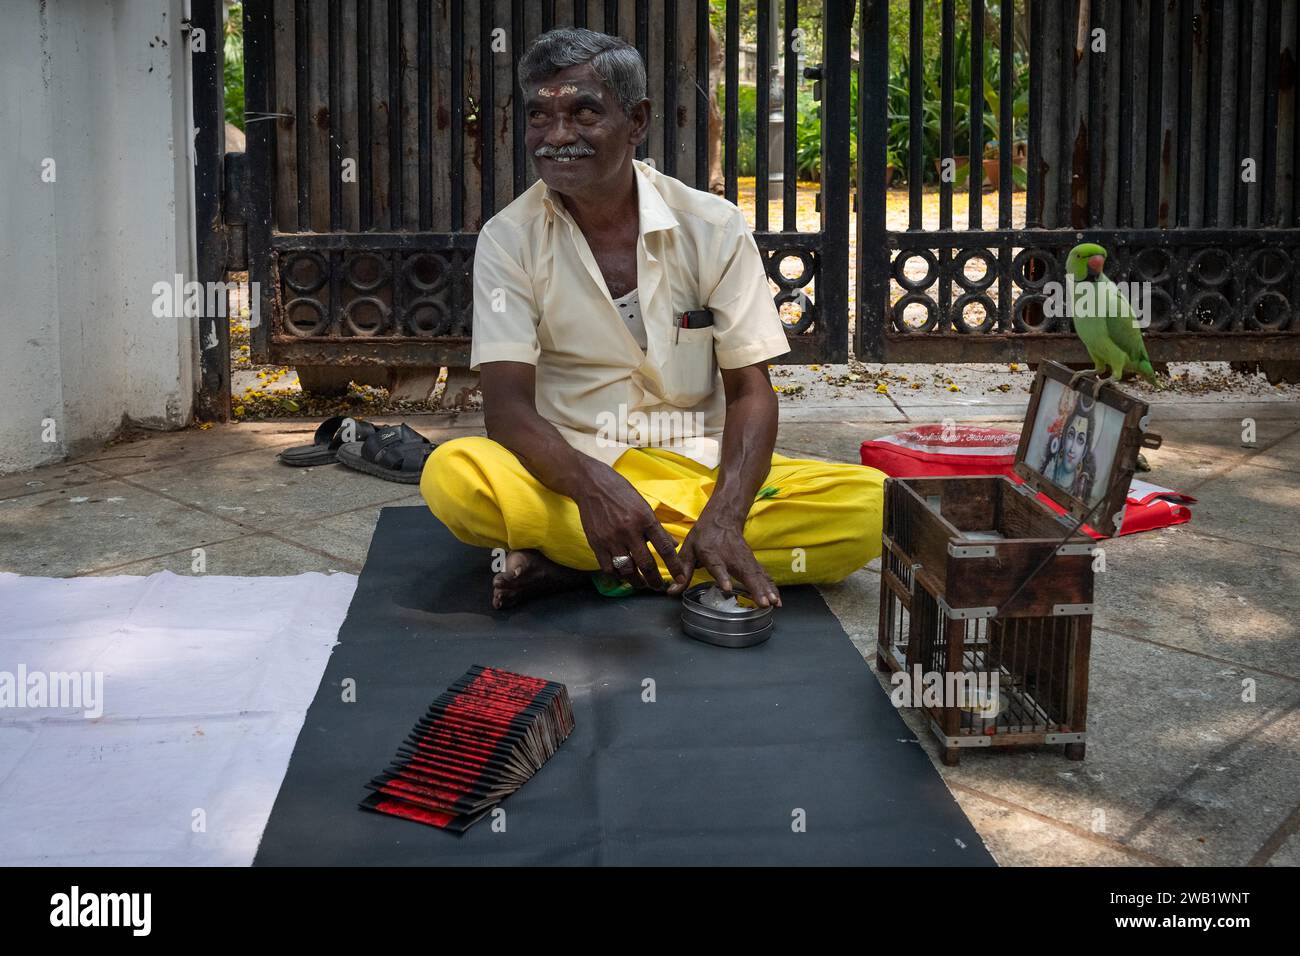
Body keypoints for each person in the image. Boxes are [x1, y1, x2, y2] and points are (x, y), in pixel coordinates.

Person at [420, 28, 883, 609]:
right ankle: (677, 552)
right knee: (455, 475)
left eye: (584, 112)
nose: (557, 136)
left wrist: (727, 510)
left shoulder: (712, 226)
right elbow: (507, 410)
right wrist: (592, 488)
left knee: (870, 506)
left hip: (696, 464)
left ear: (636, 121)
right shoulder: (508, 239)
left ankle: (587, 565)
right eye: (540, 116)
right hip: (571, 467)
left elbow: (750, 392)